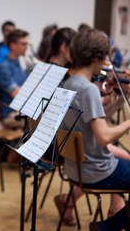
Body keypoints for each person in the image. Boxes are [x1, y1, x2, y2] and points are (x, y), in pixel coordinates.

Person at [61, 28, 130, 227]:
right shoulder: (88, 89)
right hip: (97, 171)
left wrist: (119, 101)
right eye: (105, 57)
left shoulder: (70, 83)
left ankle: (109, 223)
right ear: (97, 56)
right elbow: (103, 136)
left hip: (76, 169)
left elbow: (95, 119)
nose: (107, 63)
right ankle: (107, 227)